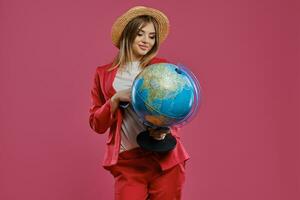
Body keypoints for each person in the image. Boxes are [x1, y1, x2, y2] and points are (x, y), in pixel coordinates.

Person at [89, 6, 190, 200]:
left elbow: (174, 111)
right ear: (128, 34)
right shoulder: (103, 74)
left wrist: (164, 132)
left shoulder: (161, 68)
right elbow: (96, 124)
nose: (146, 41)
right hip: (128, 160)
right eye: (140, 34)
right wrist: (114, 100)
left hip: (164, 158)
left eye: (152, 36)